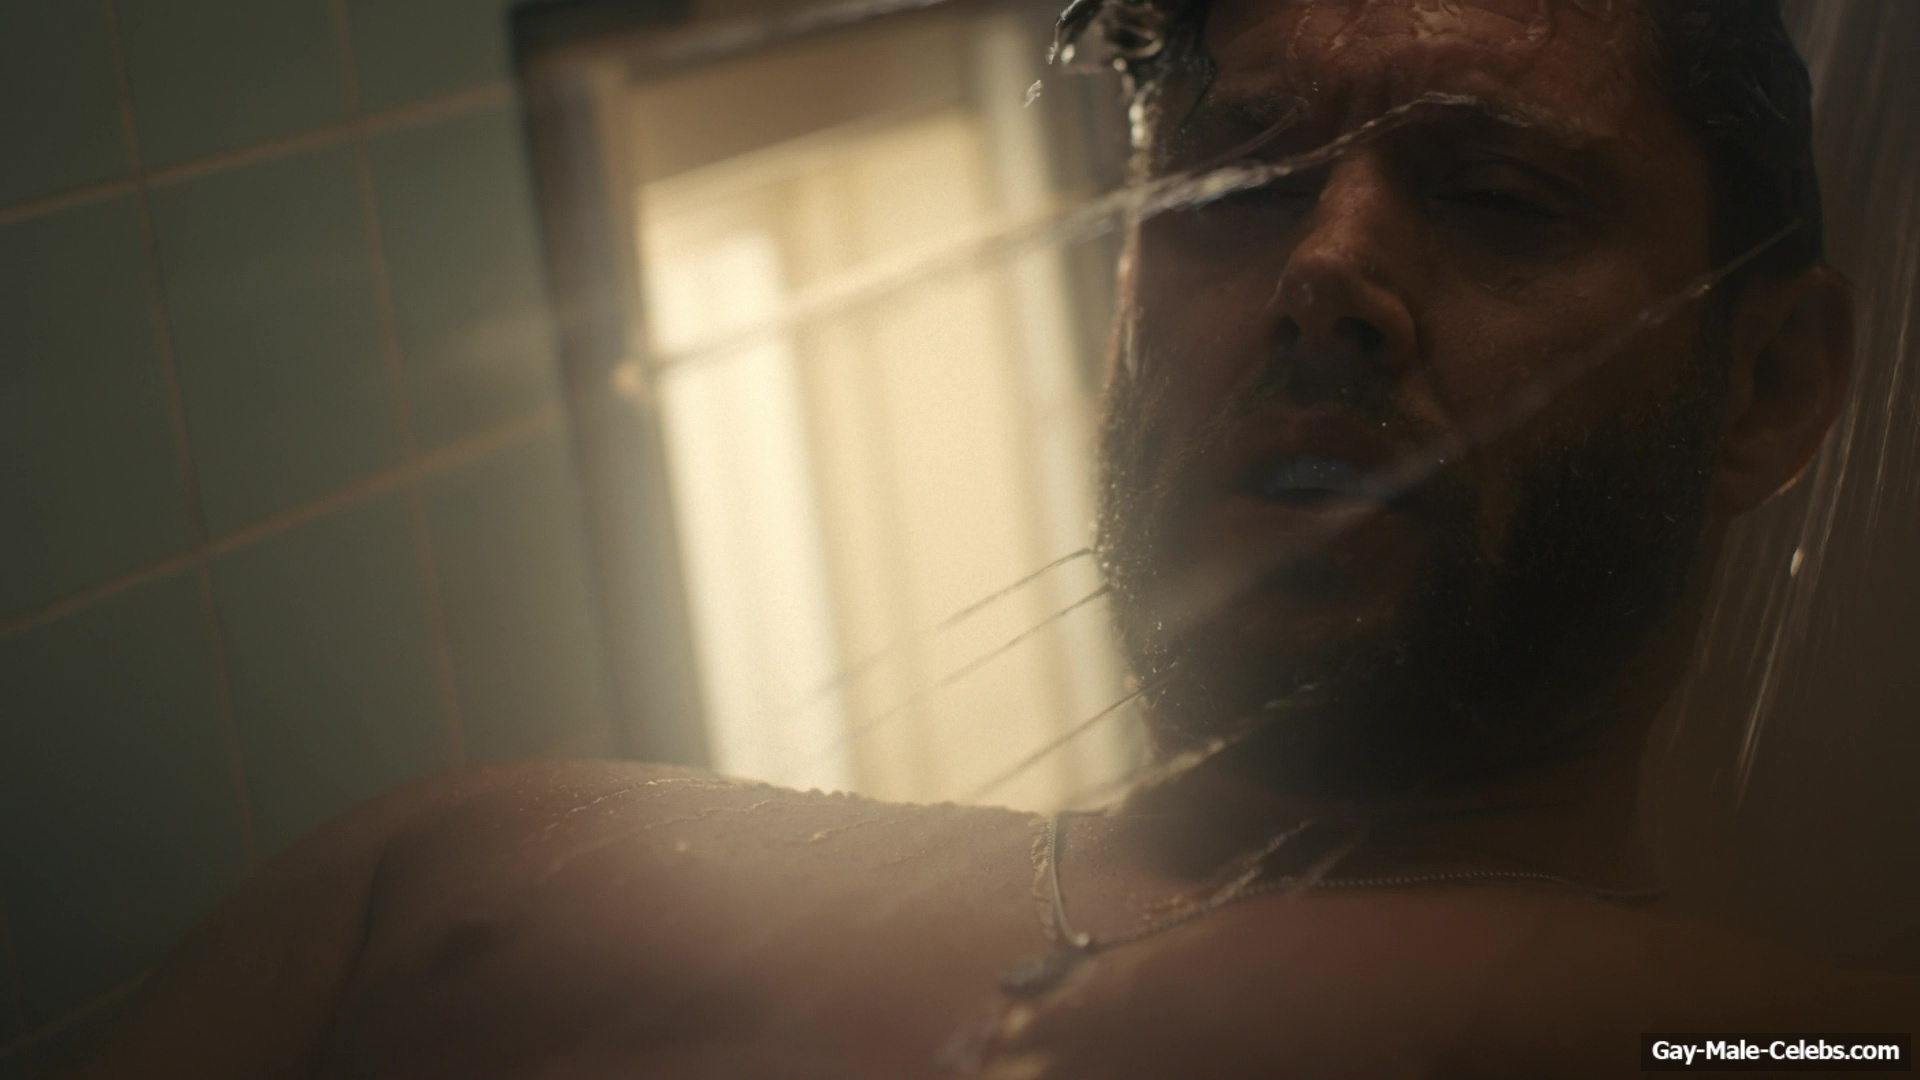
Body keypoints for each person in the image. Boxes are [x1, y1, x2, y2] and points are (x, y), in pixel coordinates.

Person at [71, 1, 1915, 1077]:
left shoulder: (1768, 1042)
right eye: (1241, 183)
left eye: (1499, 196)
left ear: (1770, 387)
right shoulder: (463, 878)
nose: (1326, 272)